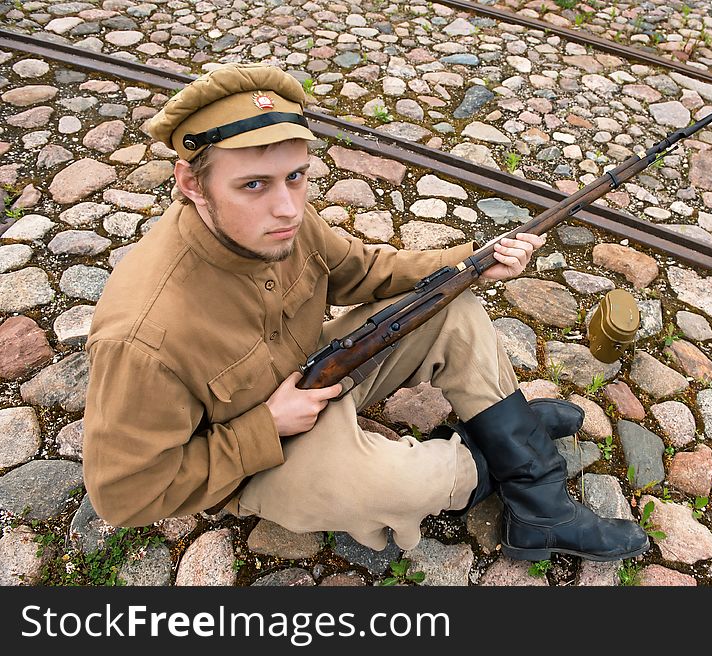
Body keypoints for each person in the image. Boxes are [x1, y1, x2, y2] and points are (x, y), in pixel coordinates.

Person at [82, 63, 648, 563]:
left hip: (318, 375)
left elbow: (362, 271)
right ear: (191, 183)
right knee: (409, 482)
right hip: (250, 462)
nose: (287, 207)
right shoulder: (142, 336)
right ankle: (502, 443)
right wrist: (264, 427)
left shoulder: (280, 222)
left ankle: (538, 507)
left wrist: (472, 261)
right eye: (253, 184)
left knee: (452, 306)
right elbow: (125, 495)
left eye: (297, 177)